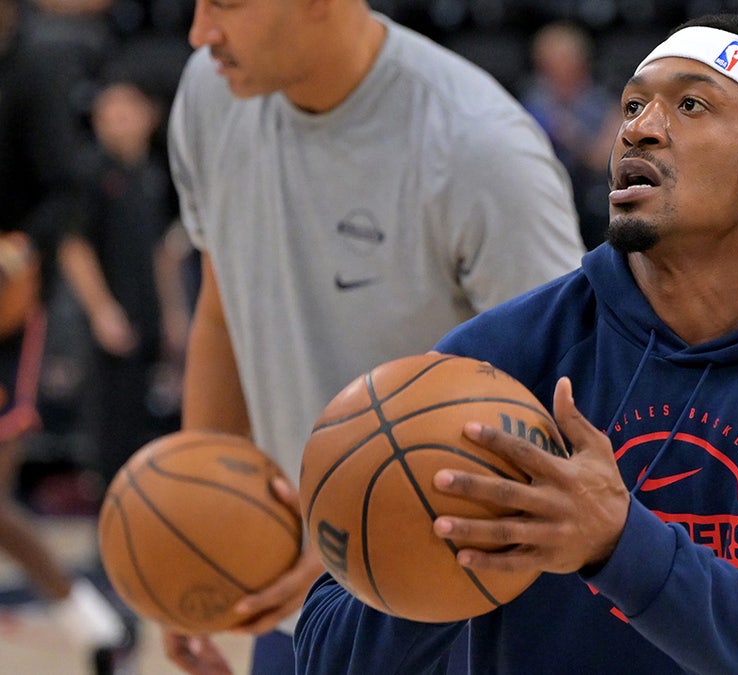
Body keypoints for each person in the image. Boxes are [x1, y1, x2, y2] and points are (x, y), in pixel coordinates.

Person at [296, 13, 738, 674]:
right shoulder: (505, 356)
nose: (638, 128)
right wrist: (440, 541)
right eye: (633, 105)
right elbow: (328, 656)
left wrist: (619, 544)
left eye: (690, 105)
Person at [164, 0, 585, 671]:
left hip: (447, 612)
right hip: (300, 600)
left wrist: (361, 538)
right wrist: (193, 518)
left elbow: (564, 406)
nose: (199, 32)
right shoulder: (212, 94)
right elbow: (222, 308)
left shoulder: (481, 148)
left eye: (227, 3)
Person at [0, 0, 127, 663]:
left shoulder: (37, 69)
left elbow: (66, 192)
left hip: (11, 304)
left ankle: (91, 624)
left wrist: (20, 248)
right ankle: (94, 626)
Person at [58, 78, 191, 487]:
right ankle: (107, 517)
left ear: (148, 117)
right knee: (109, 432)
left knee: (146, 427)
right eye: (108, 113)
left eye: (125, 112)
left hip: (147, 314)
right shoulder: (90, 171)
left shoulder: (153, 175)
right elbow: (73, 245)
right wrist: (102, 310)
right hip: (111, 320)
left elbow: (164, 252)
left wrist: (174, 314)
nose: (116, 121)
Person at [520, 20, 622, 250]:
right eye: (547, 64)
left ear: (581, 63)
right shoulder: (528, 105)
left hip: (590, 197)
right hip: (542, 191)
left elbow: (604, 158)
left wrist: (569, 132)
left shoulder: (603, 102)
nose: (553, 71)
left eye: (561, 62)